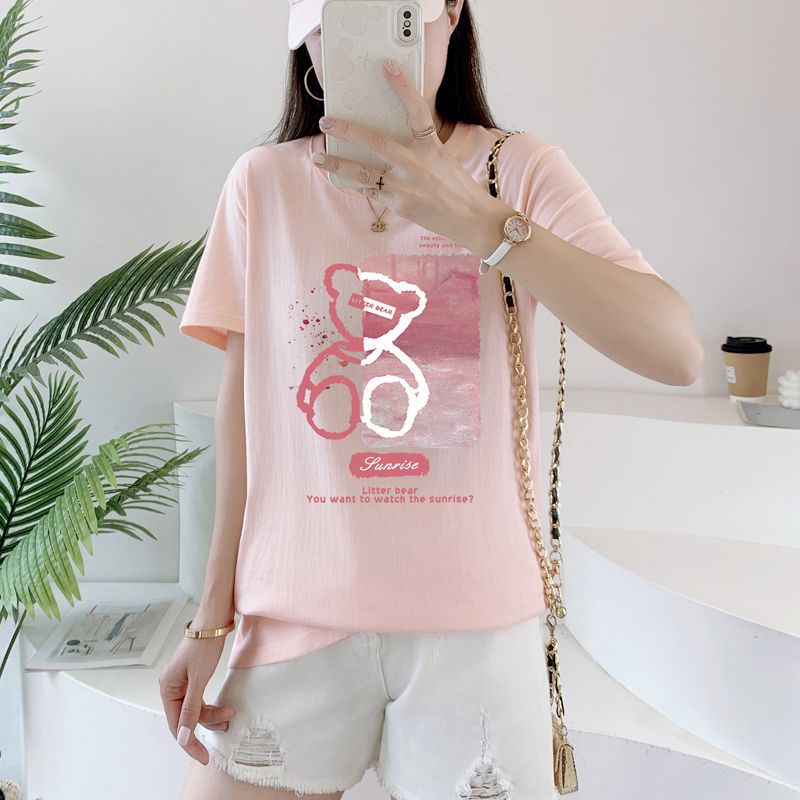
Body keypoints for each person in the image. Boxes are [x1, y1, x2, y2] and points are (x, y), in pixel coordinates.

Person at [160, 1, 703, 798]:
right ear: (304, 34)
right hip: (291, 623)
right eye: (337, 15)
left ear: (449, 9)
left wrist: (480, 221)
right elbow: (241, 414)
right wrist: (211, 617)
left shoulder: (519, 171)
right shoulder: (262, 184)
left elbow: (675, 350)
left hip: (477, 635)